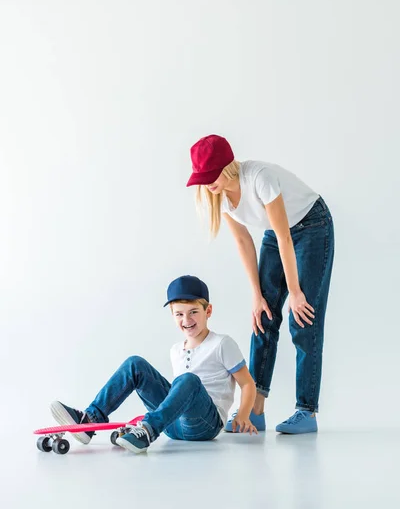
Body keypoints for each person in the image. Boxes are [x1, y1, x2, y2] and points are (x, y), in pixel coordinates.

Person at [187, 135, 334, 434]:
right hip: (276, 232)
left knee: (303, 318)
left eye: (210, 175)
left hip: (312, 226)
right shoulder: (220, 197)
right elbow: (243, 241)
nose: (207, 183)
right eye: (201, 178)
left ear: (226, 166)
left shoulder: (259, 178)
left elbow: (285, 237)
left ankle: (307, 412)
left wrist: (294, 292)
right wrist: (257, 296)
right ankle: (255, 410)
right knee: (263, 317)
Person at [50, 275, 258, 453]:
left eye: (193, 312)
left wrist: (242, 414)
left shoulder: (222, 343)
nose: (186, 319)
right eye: (179, 314)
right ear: (173, 315)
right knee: (135, 364)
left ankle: (147, 431)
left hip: (204, 425)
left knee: (188, 380)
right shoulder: (176, 350)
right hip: (171, 425)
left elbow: (247, 384)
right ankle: (90, 419)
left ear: (208, 311)